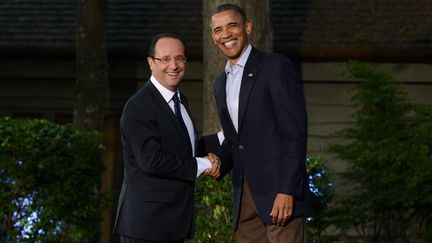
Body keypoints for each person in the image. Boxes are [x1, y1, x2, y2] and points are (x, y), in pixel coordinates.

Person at [208, 3, 313, 242]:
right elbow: (237, 141)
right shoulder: (219, 84)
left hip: (278, 193)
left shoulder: (275, 67)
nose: (226, 34)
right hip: (244, 197)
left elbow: (294, 133)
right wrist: (216, 163)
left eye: (232, 25)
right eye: (218, 30)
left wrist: (287, 190)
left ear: (248, 27)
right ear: (213, 38)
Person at [113, 32, 220, 243]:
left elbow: (183, 149)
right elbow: (151, 161)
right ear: (151, 63)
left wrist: (225, 138)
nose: (174, 65)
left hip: (173, 223)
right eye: (165, 59)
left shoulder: (181, 102)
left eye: (179, 58)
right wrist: (202, 165)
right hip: (147, 226)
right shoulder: (138, 107)